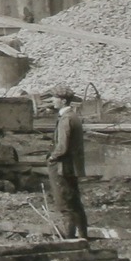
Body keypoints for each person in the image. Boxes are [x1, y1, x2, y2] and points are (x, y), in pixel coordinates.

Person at [47, 88, 89, 239]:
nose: (52, 100)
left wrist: (52, 157)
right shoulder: (73, 116)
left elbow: (62, 147)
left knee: (65, 205)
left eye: (54, 98)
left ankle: (69, 240)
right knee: (75, 203)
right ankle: (83, 236)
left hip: (62, 168)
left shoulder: (66, 119)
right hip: (72, 167)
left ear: (63, 101)